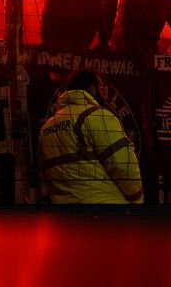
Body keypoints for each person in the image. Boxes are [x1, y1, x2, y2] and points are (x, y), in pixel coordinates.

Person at [38, 69, 143, 204]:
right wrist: (137, 199)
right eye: (100, 87)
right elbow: (123, 166)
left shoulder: (47, 127)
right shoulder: (97, 116)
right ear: (90, 87)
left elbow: (44, 177)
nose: (103, 93)